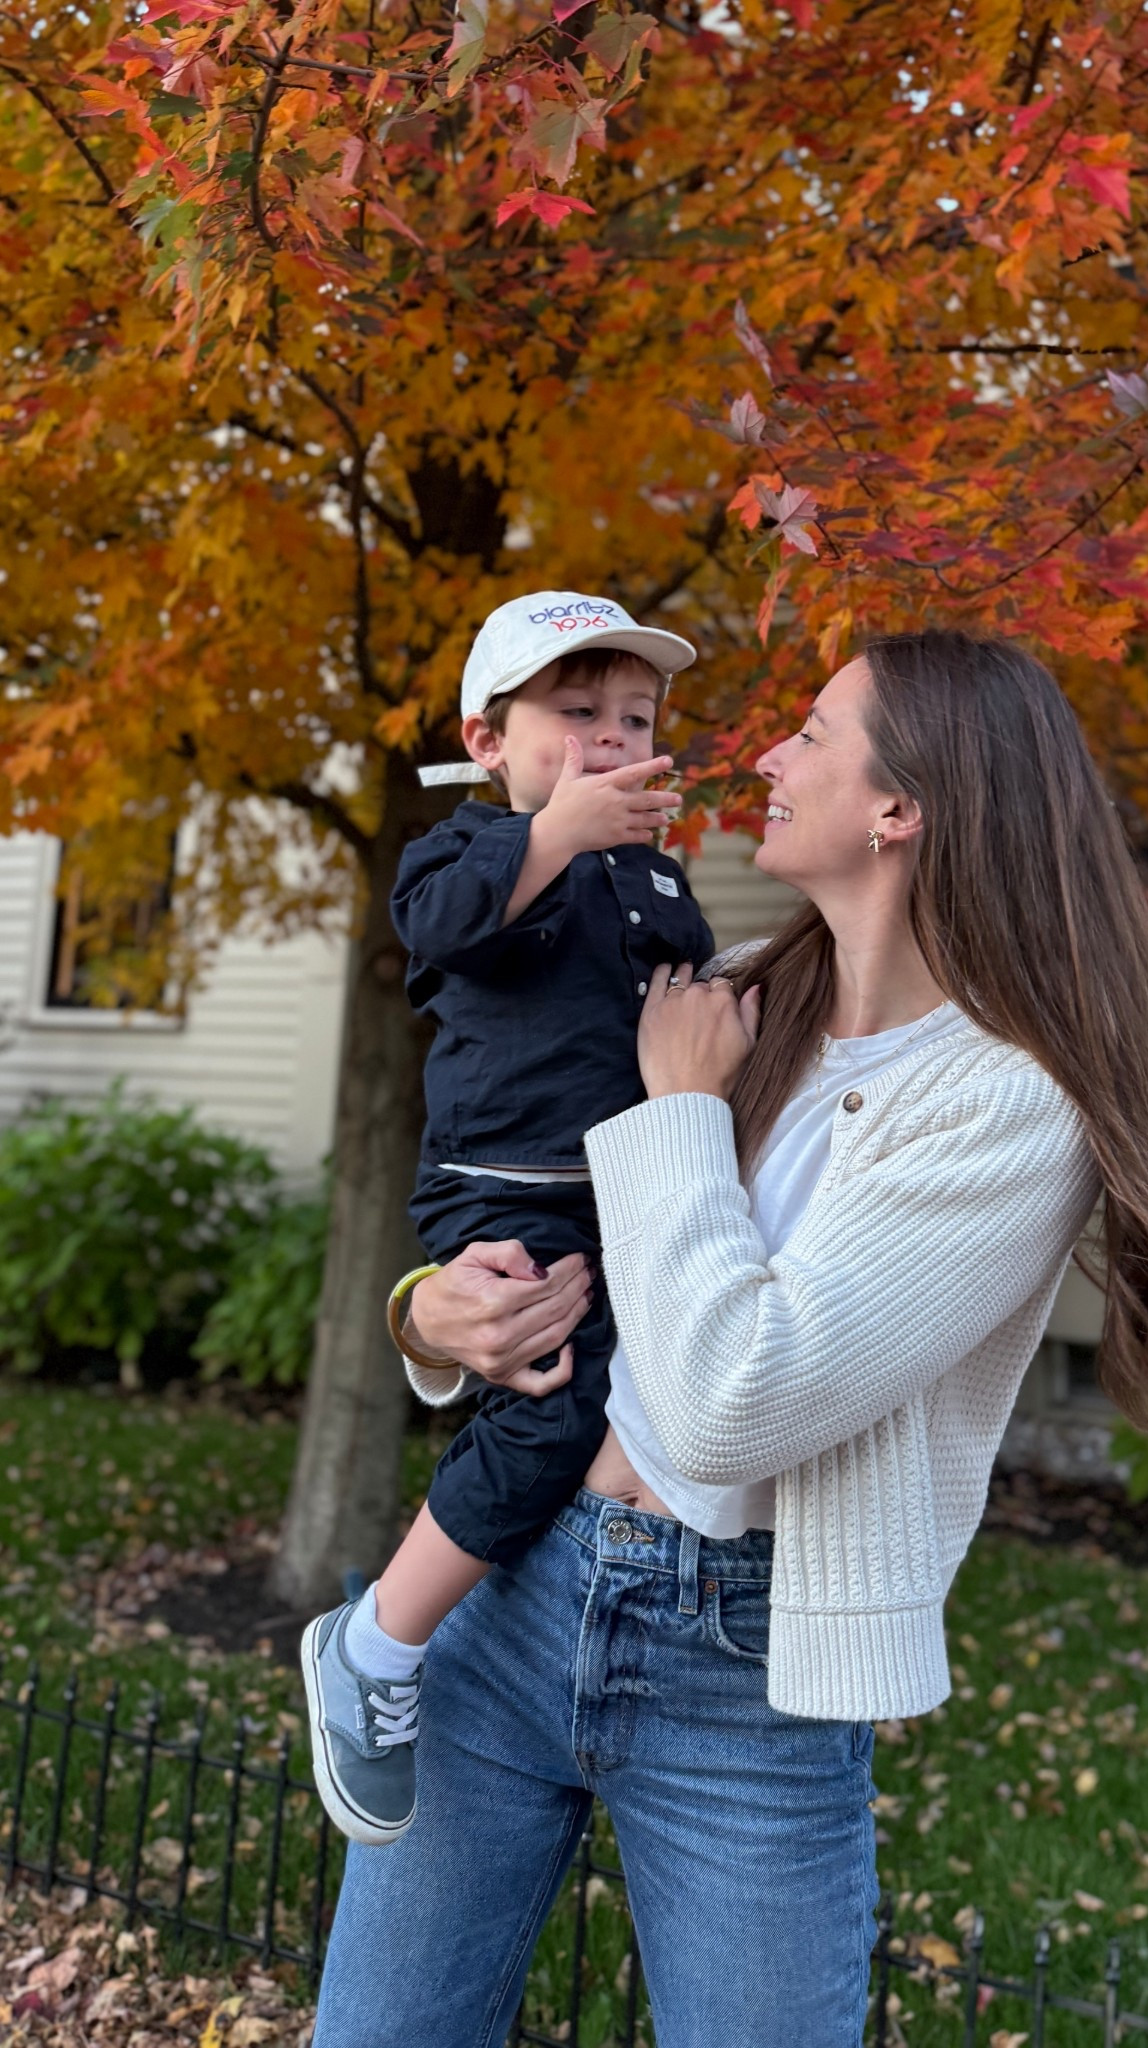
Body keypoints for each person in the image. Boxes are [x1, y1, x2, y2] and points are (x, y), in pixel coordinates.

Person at [312, 629, 1148, 2048]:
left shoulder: (1011, 1106)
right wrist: (432, 1316)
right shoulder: (743, 993)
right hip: (518, 1585)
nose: (762, 753)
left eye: (812, 734)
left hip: (745, 1673)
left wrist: (681, 1110)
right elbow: (558, 1204)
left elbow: (729, 1406)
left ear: (904, 807)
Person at [301, 592, 715, 1847]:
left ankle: (519, 1619)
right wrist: (556, 835)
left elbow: (681, 992)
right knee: (545, 1416)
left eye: (633, 717)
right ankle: (378, 1638)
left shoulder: (653, 873)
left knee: (618, 1401)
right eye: (575, 712)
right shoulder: (464, 849)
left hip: (619, 1192)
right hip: (502, 1188)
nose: (608, 738)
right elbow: (436, 929)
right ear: (488, 739)